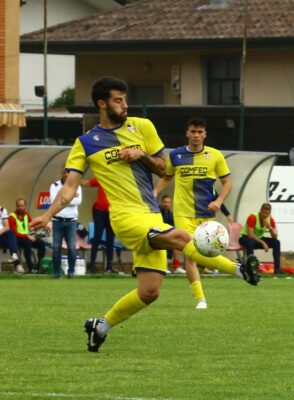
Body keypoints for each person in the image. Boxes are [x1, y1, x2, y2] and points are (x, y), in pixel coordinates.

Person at [30, 77, 260, 353]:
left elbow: (164, 169)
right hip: (126, 217)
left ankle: (100, 325)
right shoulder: (85, 143)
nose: (125, 105)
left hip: (151, 214)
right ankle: (239, 269)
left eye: (125, 99)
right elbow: (69, 186)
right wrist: (48, 214)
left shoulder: (143, 127)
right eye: (118, 100)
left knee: (150, 291)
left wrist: (141, 155)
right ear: (102, 104)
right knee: (179, 236)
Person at [153, 116, 243, 310]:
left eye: (199, 132)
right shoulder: (175, 155)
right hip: (183, 213)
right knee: (190, 254)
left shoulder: (215, 156)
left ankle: (237, 270)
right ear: (187, 133)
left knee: (204, 255)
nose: (196, 135)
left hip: (206, 215)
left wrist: (218, 201)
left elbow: (227, 182)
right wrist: (155, 192)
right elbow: (167, 177)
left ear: (205, 134)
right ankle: (201, 299)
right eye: (192, 131)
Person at [49, 165, 82, 278]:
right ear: (61, 173)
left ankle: (71, 272)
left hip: (71, 221)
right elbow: (53, 201)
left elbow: (78, 201)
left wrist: (62, 199)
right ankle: (57, 273)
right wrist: (70, 197)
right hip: (57, 220)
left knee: (72, 248)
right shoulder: (54, 185)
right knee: (56, 248)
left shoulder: (76, 185)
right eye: (64, 172)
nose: (66, 174)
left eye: (68, 172)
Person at [80, 177, 117, 273]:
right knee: (97, 237)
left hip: (112, 212)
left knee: (110, 238)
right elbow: (86, 183)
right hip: (100, 211)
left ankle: (109, 266)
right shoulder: (102, 177)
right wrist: (74, 179)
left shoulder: (119, 179)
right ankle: (92, 265)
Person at [238, 203, 283, 274]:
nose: (265, 215)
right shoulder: (253, 217)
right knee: (251, 242)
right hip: (244, 238)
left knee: (276, 242)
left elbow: (275, 236)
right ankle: (251, 268)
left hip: (258, 239)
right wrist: (263, 242)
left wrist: (270, 228)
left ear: (269, 213)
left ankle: (277, 269)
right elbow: (250, 235)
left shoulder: (270, 220)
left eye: (267, 213)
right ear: (260, 211)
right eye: (263, 213)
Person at [10, 198, 46, 273]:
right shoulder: (12, 216)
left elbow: (31, 225)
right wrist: (27, 236)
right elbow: (14, 233)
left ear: (25, 206)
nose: (20, 207)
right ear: (16, 206)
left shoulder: (26, 214)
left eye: (22, 206)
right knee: (27, 243)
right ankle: (30, 267)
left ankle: (39, 267)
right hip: (17, 238)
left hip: (27, 237)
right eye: (18, 206)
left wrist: (42, 225)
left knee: (42, 243)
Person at [158, 194, 185, 274]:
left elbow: (173, 228)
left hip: (167, 236)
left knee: (176, 246)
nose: (166, 204)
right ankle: (163, 267)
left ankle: (176, 267)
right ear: (162, 202)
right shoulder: (157, 211)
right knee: (163, 244)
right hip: (157, 235)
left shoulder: (171, 215)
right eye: (165, 202)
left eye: (168, 202)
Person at [0, 204, 23, 273]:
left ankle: (14, 255)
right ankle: (17, 264)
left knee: (10, 232)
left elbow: (7, 226)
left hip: (1, 235)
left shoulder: (2, 209)